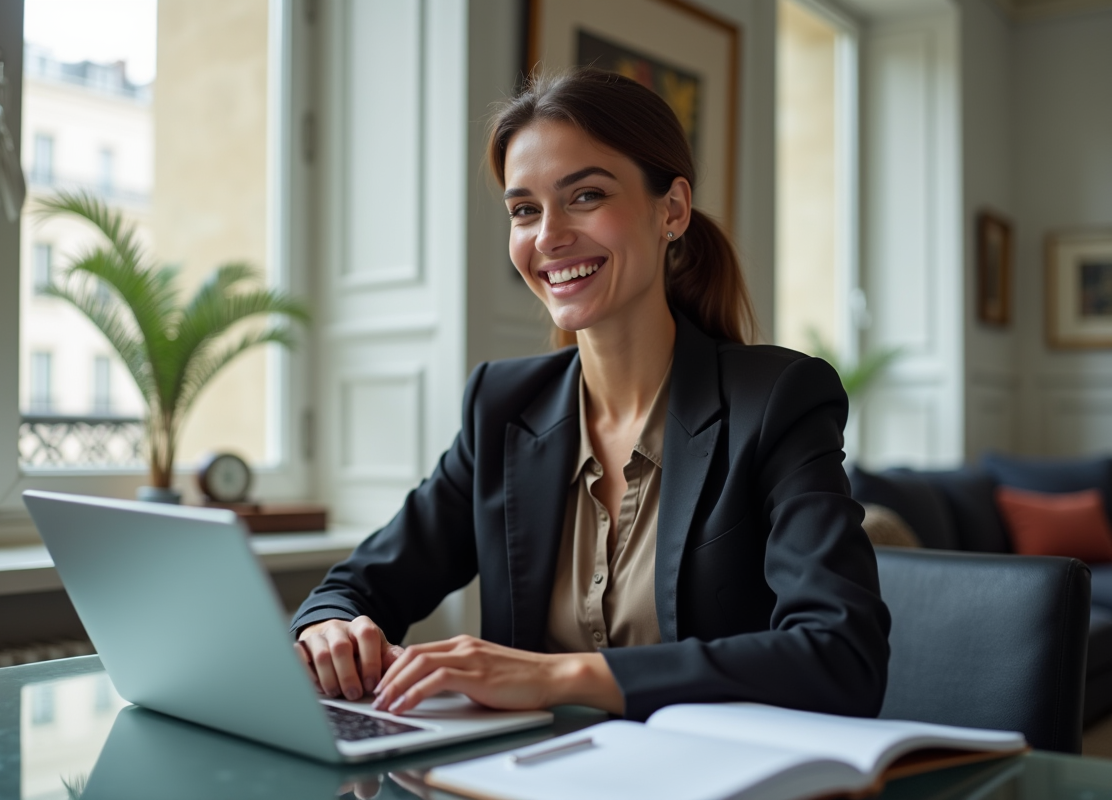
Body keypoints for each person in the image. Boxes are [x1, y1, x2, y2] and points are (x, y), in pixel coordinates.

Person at [291, 68, 890, 723]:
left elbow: (843, 658)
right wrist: (330, 627)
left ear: (674, 210)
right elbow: (357, 585)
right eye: (524, 209)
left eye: (585, 196)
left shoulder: (776, 401)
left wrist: (559, 676)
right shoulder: (502, 407)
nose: (547, 235)